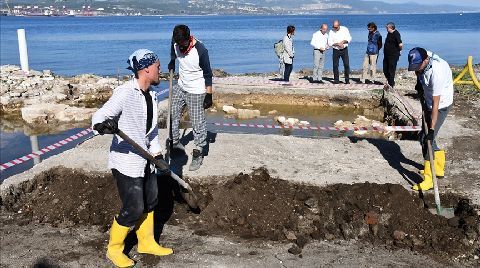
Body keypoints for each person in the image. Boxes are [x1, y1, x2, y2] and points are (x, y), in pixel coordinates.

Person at [92, 49, 173, 267]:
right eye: (157, 66)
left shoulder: (151, 95)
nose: (160, 69)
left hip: (147, 160)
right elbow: (100, 115)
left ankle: (146, 242)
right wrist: (101, 126)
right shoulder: (125, 92)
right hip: (126, 162)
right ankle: (114, 249)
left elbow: (152, 133)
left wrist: (157, 155)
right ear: (146, 69)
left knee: (152, 201)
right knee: (134, 207)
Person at [168, 24, 213, 171]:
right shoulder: (175, 43)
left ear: (189, 38)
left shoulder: (201, 50)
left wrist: (209, 94)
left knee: (197, 122)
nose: (180, 46)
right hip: (181, 86)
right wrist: (172, 60)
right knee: (172, 114)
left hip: (196, 90)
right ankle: (175, 144)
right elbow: (172, 47)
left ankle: (199, 151)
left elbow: (208, 74)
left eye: (183, 43)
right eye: (178, 43)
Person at [407, 47, 453, 191]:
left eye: (418, 67)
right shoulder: (421, 55)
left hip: (441, 105)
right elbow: (418, 70)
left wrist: (431, 129)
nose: (416, 69)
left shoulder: (437, 73)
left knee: (426, 139)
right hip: (428, 100)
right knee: (424, 137)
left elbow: (435, 104)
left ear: (426, 60)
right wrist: (419, 82)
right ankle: (438, 168)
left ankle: (429, 179)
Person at [328, 20, 352, 84]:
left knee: (346, 65)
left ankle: (347, 80)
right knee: (335, 65)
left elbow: (349, 38)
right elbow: (330, 43)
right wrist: (337, 44)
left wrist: (343, 42)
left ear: (339, 25)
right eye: (334, 27)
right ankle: (336, 80)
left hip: (344, 49)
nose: (335, 28)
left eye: (336, 27)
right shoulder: (331, 32)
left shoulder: (345, 29)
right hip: (336, 50)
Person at [383, 22, 403, 88]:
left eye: (387, 28)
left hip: (393, 55)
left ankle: (391, 84)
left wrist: (399, 50)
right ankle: (389, 81)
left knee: (391, 69)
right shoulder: (389, 33)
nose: (386, 29)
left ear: (391, 27)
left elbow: (400, 44)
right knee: (385, 69)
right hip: (386, 54)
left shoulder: (396, 34)